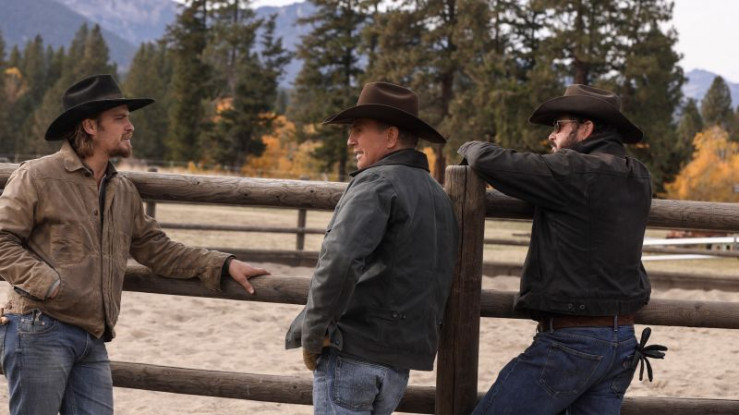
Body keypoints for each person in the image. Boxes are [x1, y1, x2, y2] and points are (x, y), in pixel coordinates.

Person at [0, 74, 270, 415]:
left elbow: (157, 249)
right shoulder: (37, 176)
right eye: (120, 118)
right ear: (90, 126)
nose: (130, 127)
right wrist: (47, 283)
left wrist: (223, 264)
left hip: (92, 337)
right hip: (40, 327)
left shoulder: (122, 190)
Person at [458, 84, 665, 414]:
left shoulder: (573, 170)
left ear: (586, 129)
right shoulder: (638, 174)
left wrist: (468, 146)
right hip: (622, 341)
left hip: (572, 343)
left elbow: (489, 160)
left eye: (559, 126)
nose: (551, 136)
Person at [285, 82, 458, 414]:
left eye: (358, 130)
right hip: (399, 364)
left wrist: (314, 333)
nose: (350, 140)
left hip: (354, 351)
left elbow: (340, 259)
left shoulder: (376, 182)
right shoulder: (438, 195)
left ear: (390, 136)